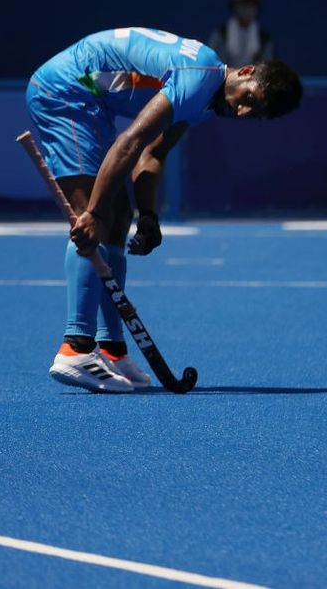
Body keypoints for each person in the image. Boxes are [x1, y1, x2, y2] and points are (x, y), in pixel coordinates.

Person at [26, 26, 301, 392]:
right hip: (66, 90)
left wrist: (149, 216)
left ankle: (111, 350)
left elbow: (151, 154)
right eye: (249, 98)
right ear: (247, 72)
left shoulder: (204, 99)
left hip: (90, 99)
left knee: (119, 217)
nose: (242, 110)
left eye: (254, 113)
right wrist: (90, 214)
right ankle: (75, 348)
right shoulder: (200, 77)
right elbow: (132, 140)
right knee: (98, 215)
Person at [208, 0, 275, 68]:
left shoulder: (264, 38)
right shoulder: (221, 34)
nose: (248, 10)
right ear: (235, 7)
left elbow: (267, 65)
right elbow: (213, 62)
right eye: (244, 5)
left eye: (252, 6)